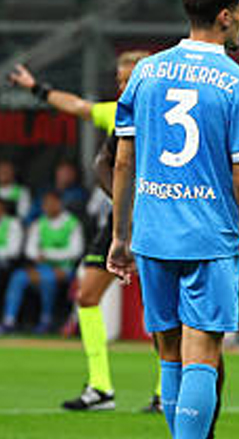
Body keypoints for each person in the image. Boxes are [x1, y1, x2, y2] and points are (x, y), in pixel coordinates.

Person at [108, 0, 239, 439]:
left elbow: (123, 158)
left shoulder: (145, 73)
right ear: (225, 15)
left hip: (152, 231)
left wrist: (119, 235)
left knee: (169, 358)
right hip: (208, 234)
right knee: (204, 355)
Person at [8, 49, 148, 411]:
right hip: (118, 218)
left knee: (162, 306)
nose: (122, 87)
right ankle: (101, 387)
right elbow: (77, 106)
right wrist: (37, 89)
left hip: (154, 217)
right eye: (118, 80)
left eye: (128, 80)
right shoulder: (118, 113)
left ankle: (168, 393)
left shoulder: (160, 117)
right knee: (86, 295)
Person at [1, 191, 83, 334]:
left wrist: (47, 254)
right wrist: (46, 258)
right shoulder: (39, 223)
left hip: (65, 269)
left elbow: (75, 251)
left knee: (48, 279)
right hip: (40, 267)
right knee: (18, 278)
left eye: (51, 203)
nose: (47, 206)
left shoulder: (72, 223)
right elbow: (30, 250)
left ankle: (46, 320)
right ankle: (9, 320)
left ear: (59, 203)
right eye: (45, 204)